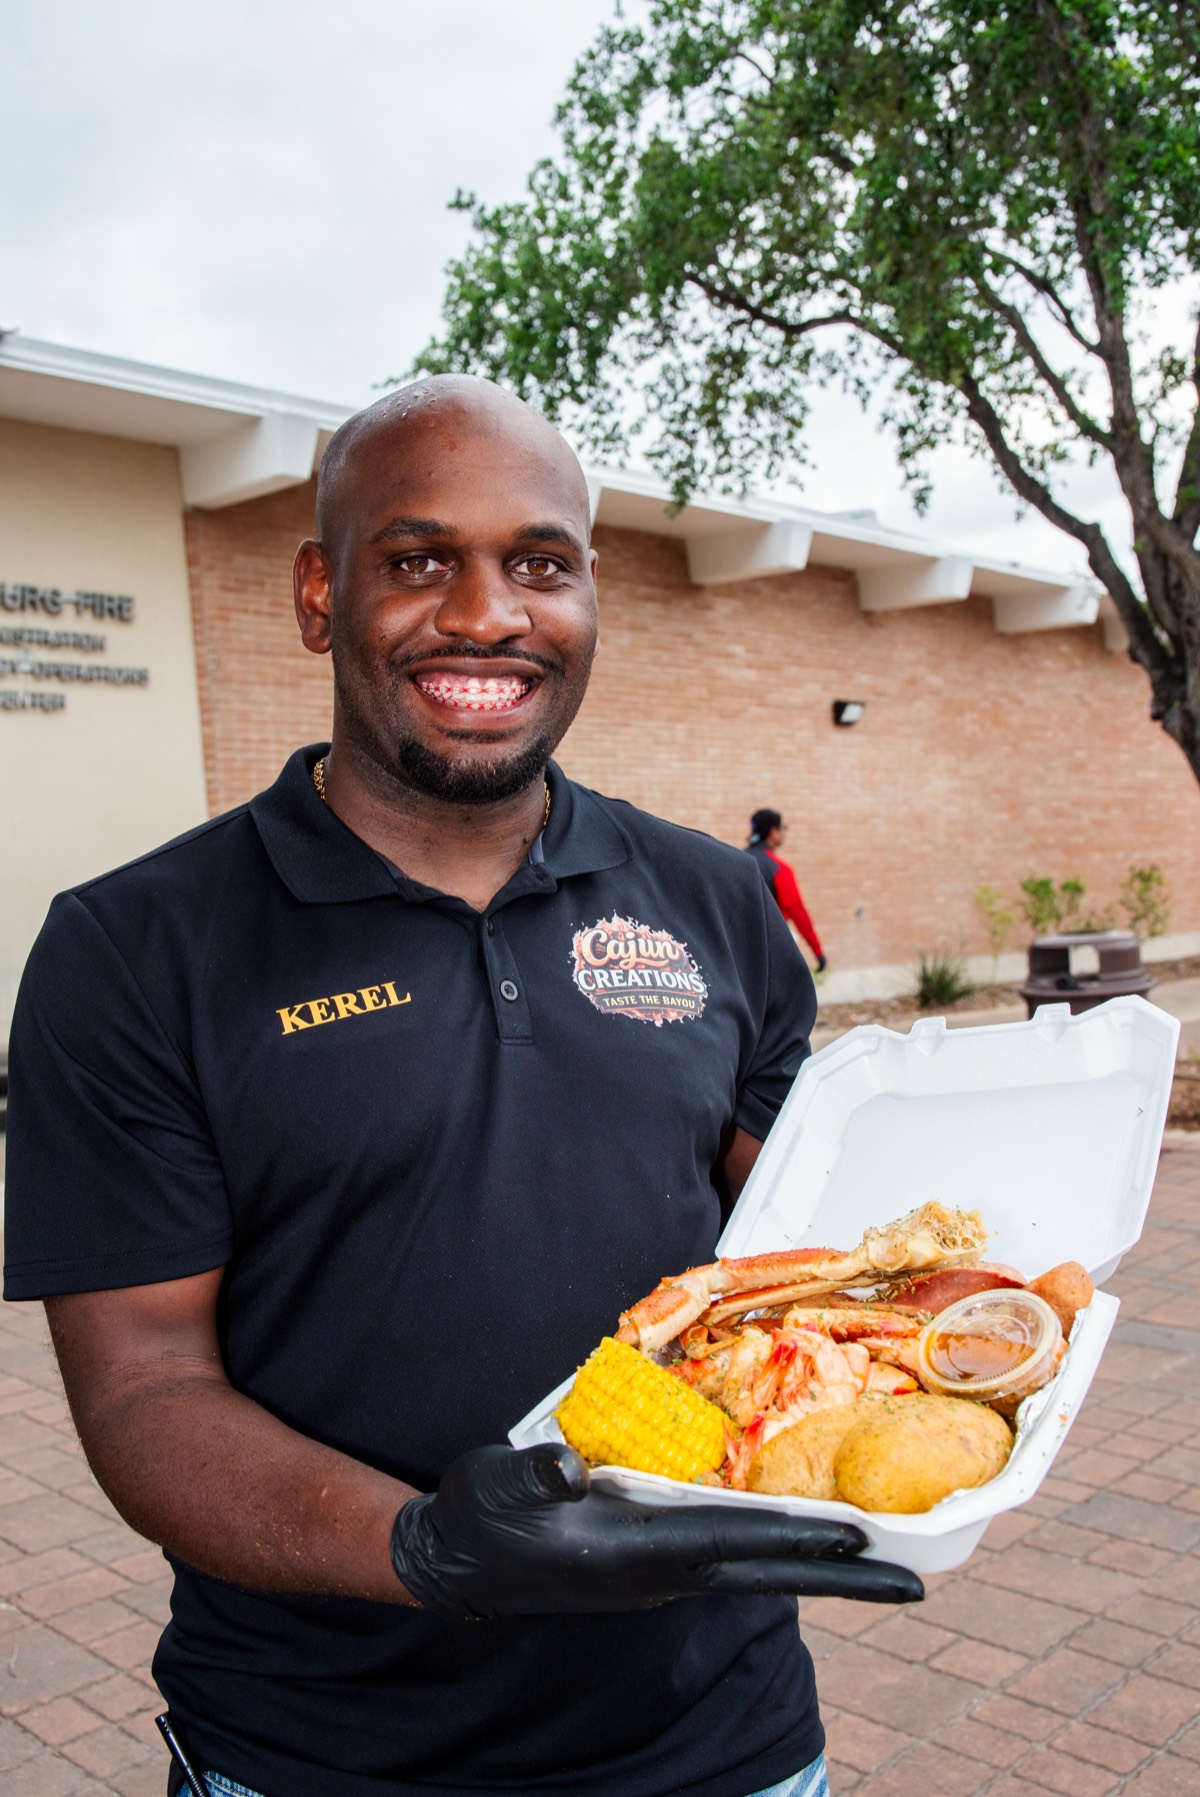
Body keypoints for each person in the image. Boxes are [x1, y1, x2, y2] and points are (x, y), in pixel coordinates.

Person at [3, 377, 919, 1797]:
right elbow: (142, 1389)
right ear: (321, 594)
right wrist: (424, 1549)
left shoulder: (717, 902)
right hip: (317, 1755)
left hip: (723, 1743)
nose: (489, 615)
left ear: (591, 594)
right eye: (419, 560)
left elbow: (816, 1255)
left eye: (539, 563)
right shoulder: (134, 951)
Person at [746, 810, 827, 973]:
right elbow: (798, 912)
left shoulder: (734, 860)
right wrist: (818, 952)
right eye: (782, 828)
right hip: (768, 951)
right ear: (774, 832)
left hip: (736, 949)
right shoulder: (780, 869)